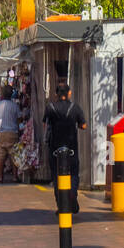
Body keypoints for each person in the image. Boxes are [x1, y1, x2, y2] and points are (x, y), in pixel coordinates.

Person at [43, 80, 87, 212]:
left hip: (54, 147)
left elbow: (45, 124)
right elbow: (83, 126)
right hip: (71, 146)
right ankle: (72, 194)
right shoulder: (75, 107)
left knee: (57, 176)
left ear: (56, 94)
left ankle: (61, 205)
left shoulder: (50, 107)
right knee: (73, 173)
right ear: (69, 93)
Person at [0, 85, 20, 183]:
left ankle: (0, 177)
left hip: (0, 132)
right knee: (14, 155)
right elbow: (19, 118)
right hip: (13, 132)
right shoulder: (15, 106)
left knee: (1, 155)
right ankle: (15, 177)